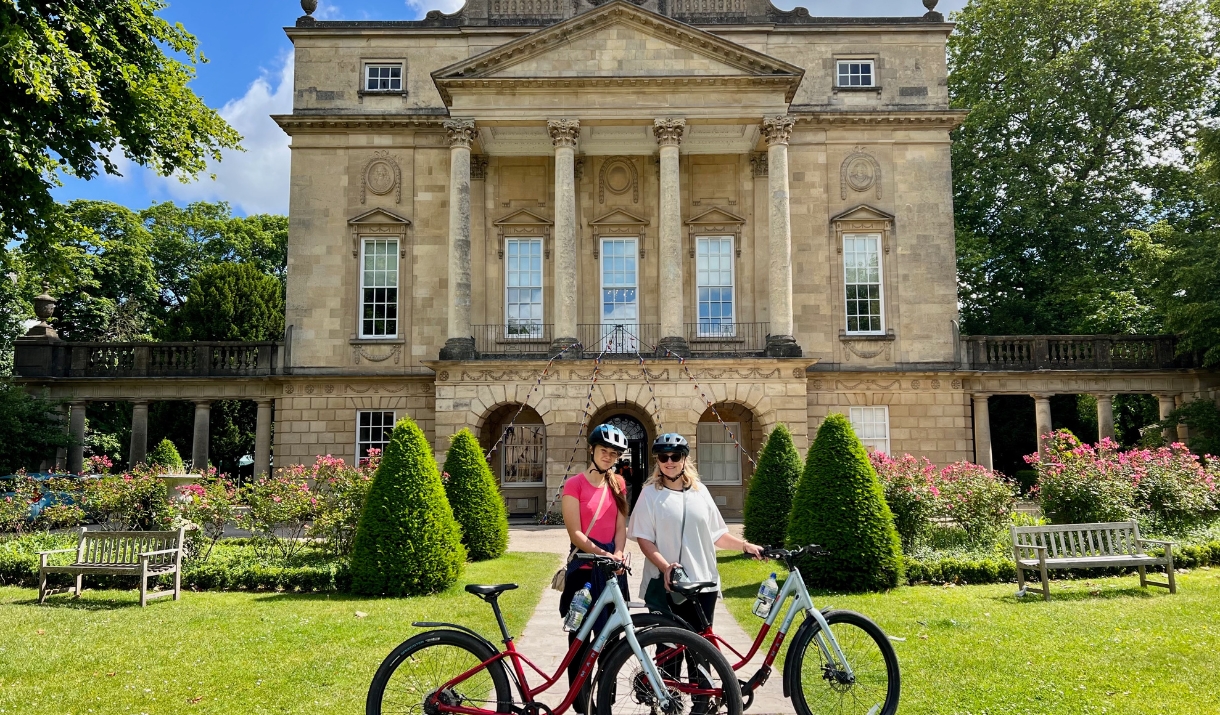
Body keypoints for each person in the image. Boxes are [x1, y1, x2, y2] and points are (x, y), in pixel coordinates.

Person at [628, 432, 763, 629]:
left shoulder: (700, 491)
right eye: (663, 457)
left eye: (675, 456)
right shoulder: (649, 495)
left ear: (684, 459)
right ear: (658, 461)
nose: (669, 462)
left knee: (701, 652)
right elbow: (644, 539)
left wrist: (745, 546)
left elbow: (717, 534)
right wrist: (666, 568)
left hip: (703, 583)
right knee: (667, 651)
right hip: (667, 584)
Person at [559, 423, 630, 712]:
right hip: (585, 569)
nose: (609, 457)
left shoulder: (619, 484)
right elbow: (575, 533)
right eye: (604, 451)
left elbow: (621, 526)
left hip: (611, 569)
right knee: (580, 637)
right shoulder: (574, 484)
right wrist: (603, 554)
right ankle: (579, 702)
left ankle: (604, 702)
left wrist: (620, 552)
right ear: (592, 449)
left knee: (612, 637)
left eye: (614, 454)